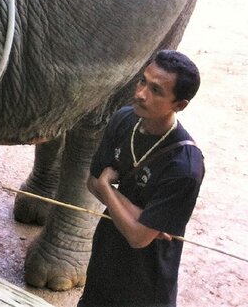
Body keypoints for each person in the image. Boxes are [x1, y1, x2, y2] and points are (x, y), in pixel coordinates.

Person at [79, 49, 204, 307]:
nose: (140, 93)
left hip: (146, 282)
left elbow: (137, 239)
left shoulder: (185, 166)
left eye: (156, 91)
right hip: (104, 258)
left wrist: (107, 186)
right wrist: (143, 220)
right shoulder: (123, 119)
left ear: (179, 105)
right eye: (142, 81)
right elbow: (91, 182)